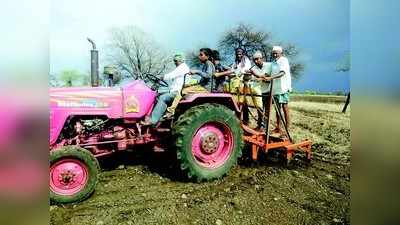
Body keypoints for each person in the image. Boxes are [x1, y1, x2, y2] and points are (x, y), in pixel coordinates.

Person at [140, 53, 190, 126]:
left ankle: (153, 120)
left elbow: (172, 75)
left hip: (178, 91)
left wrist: (162, 77)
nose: (175, 62)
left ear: (181, 60)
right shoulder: (180, 67)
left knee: (163, 97)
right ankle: (150, 115)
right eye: (174, 61)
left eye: (176, 61)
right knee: (156, 92)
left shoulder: (183, 67)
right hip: (173, 89)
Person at [271, 46, 292, 134]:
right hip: (276, 88)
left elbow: (282, 73)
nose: (275, 55)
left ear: (281, 53)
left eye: (277, 53)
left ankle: (287, 128)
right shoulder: (273, 62)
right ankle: (278, 127)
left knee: (284, 107)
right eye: (274, 53)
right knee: (277, 108)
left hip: (283, 87)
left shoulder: (284, 60)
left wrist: (270, 77)